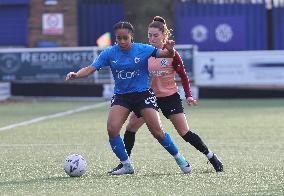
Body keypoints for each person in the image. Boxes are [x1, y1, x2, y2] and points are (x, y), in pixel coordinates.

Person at [66, 21, 192, 175]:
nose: (122, 41)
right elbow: (91, 68)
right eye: (119, 38)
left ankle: (180, 159)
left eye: (125, 38)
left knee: (157, 132)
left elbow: (166, 54)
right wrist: (76, 74)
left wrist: (171, 50)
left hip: (143, 95)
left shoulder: (143, 49)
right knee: (112, 130)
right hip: (122, 97)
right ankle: (126, 165)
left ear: (131, 36)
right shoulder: (109, 53)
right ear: (115, 38)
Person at [110, 16, 223, 173]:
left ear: (164, 35)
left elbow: (183, 75)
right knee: (131, 128)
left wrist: (188, 95)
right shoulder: (146, 52)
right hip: (147, 98)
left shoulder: (172, 54)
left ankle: (211, 157)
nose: (151, 38)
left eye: (155, 35)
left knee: (185, 132)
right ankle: (125, 164)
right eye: (149, 35)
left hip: (170, 98)